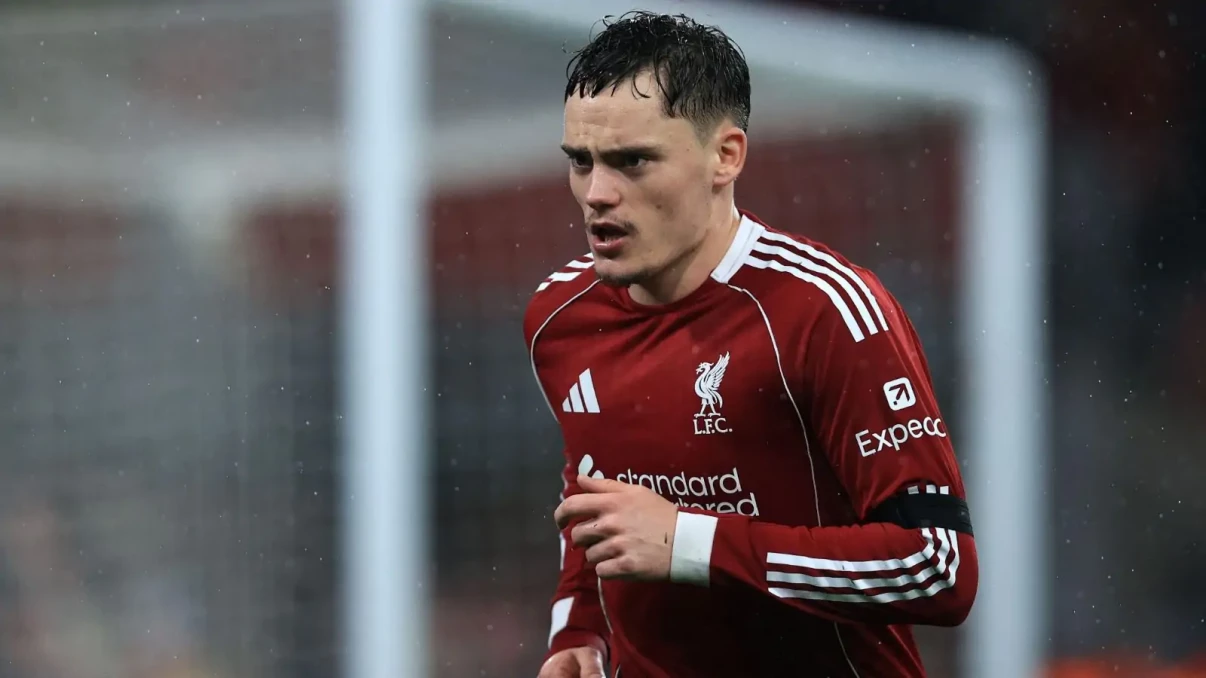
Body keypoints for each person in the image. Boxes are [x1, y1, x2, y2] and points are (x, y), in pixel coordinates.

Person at [523, 11, 978, 678]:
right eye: (580, 161)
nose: (597, 194)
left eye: (632, 161)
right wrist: (578, 629)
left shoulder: (824, 311)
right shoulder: (558, 317)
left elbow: (938, 567)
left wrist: (692, 542)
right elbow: (594, 494)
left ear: (726, 156)